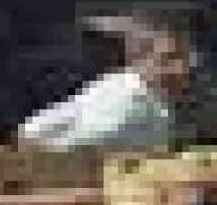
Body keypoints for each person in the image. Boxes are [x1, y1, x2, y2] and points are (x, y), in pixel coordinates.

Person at [17, 10, 195, 151]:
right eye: (168, 59)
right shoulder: (131, 104)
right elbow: (81, 146)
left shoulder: (120, 86)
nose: (181, 70)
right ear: (140, 59)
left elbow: (31, 130)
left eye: (185, 60)